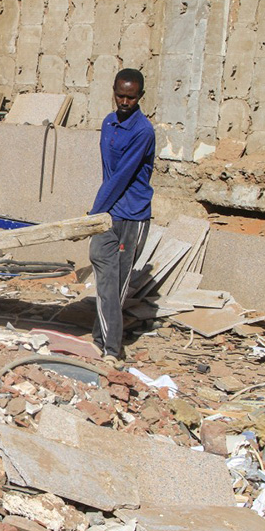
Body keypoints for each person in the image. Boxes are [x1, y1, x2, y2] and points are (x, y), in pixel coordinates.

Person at [88, 68, 155, 368]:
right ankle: (107, 343)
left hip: (132, 217)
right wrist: (100, 212)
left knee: (116, 286)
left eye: (131, 97)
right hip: (109, 211)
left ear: (141, 96)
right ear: (113, 91)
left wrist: (94, 213)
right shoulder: (108, 123)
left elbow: (122, 176)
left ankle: (109, 348)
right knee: (102, 270)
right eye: (120, 95)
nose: (125, 102)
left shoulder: (143, 131)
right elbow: (108, 172)